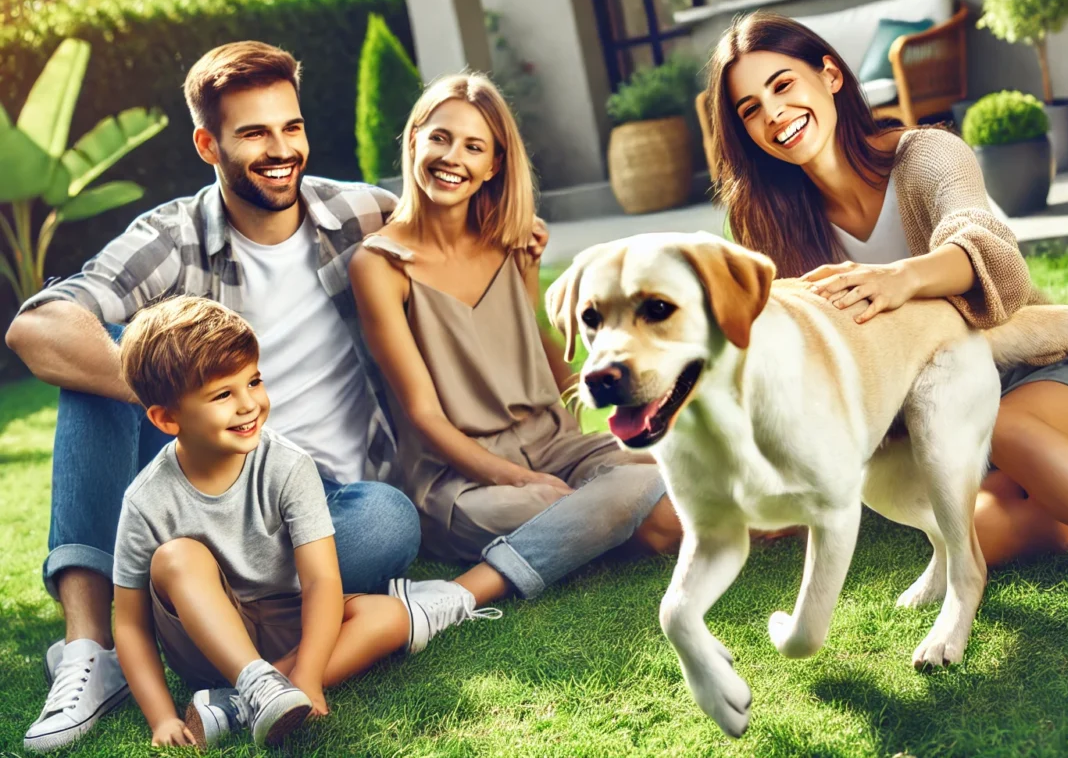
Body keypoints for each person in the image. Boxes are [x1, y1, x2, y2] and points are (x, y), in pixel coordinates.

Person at [7, 41, 532, 752]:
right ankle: (89, 649)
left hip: (329, 500)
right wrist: (176, 392)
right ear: (207, 143)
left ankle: (218, 615)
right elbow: (36, 329)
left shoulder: (360, 215)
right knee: (99, 348)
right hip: (208, 488)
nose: (280, 149)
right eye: (253, 133)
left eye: (290, 127)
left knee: (389, 521)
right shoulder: (173, 236)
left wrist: (514, 232)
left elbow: (452, 209)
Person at [705, 11, 1068, 607]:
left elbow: (989, 252)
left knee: (1010, 426)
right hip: (931, 421)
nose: (773, 113)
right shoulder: (764, 222)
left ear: (830, 75)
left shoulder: (928, 154)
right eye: (750, 108)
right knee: (979, 531)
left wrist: (901, 278)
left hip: (1038, 368)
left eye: (783, 85)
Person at [350, 73, 683, 610]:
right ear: (414, 139)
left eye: (473, 146)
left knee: (674, 465)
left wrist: (606, 430)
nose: (452, 156)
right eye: (440, 137)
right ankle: (479, 584)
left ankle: (589, 526)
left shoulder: (511, 243)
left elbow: (535, 351)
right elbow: (424, 417)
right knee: (656, 515)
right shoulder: (379, 266)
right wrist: (524, 480)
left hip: (555, 445)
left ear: (493, 166)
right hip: (461, 480)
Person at [111, 297, 441, 749]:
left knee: (390, 615)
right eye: (223, 394)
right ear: (168, 418)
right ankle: (252, 682)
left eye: (254, 381)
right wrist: (161, 717)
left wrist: (308, 673)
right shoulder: (147, 499)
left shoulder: (288, 465)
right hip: (208, 644)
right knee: (177, 556)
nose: (249, 404)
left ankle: (243, 701)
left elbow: (322, 580)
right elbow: (129, 625)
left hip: (287, 618)